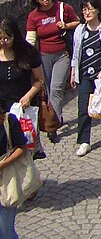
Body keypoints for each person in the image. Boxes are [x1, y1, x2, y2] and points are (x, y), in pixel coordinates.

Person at [25, 0, 79, 142]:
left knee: (56, 89)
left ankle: (52, 126)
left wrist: (66, 25)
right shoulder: (33, 16)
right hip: (43, 56)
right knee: (47, 90)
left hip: (61, 54)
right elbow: (31, 38)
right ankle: (56, 117)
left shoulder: (63, 8)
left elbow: (77, 21)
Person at [70, 0, 101, 157]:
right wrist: (73, 71)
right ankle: (84, 141)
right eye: (84, 9)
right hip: (85, 73)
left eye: (90, 9)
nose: (86, 12)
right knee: (84, 106)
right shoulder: (80, 30)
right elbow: (76, 52)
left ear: (97, 10)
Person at [0, 100, 29, 237]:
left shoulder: (8, 121)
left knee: (5, 230)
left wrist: (2, 165)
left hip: (6, 179)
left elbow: (22, 147)